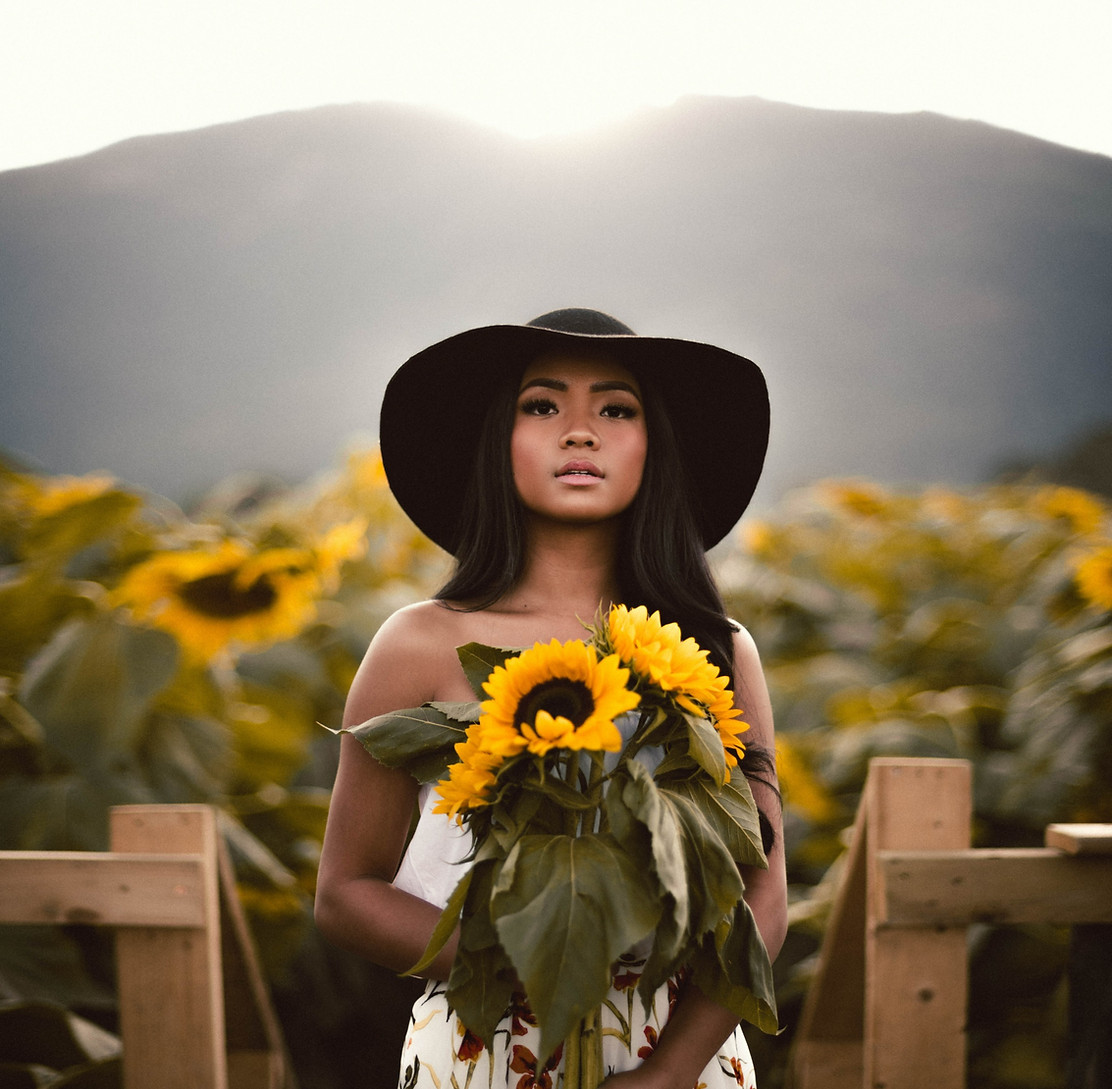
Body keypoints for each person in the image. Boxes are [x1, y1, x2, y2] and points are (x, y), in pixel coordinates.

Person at [315, 308, 787, 1089]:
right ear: (498, 441)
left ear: (654, 445)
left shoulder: (714, 648)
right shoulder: (421, 643)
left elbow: (763, 895)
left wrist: (669, 1074)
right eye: (541, 405)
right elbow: (345, 893)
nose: (579, 432)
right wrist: (531, 954)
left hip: (678, 1052)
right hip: (484, 1045)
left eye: (616, 409)